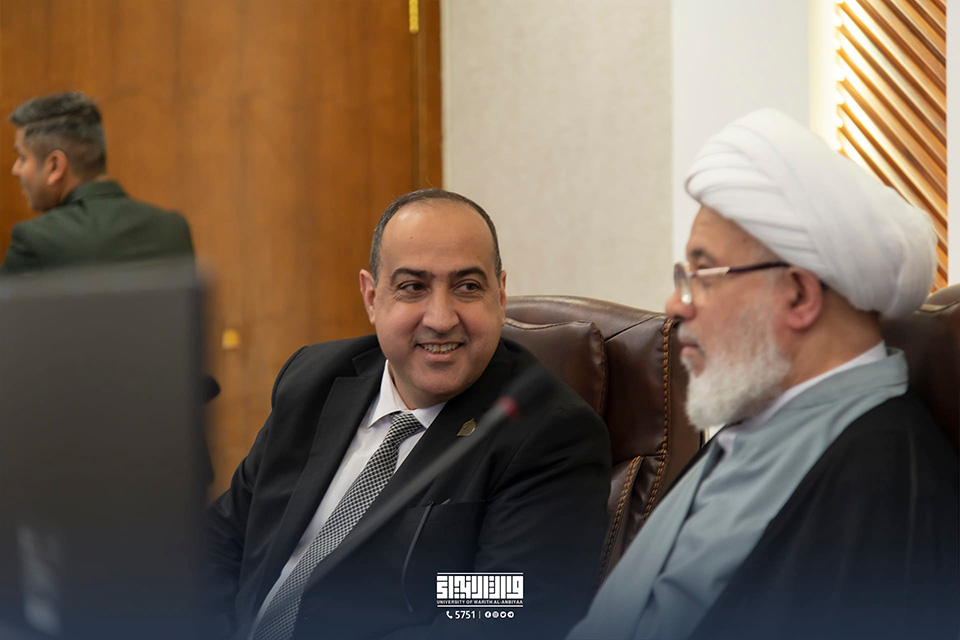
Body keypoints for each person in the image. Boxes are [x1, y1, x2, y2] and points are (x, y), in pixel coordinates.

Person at [569, 109, 959, 640]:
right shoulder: (752, 428)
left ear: (798, 296)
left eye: (703, 273)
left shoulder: (885, 483)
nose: (675, 305)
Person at [203, 188, 611, 640]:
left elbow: (501, 615)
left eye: (467, 287)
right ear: (371, 297)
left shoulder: (549, 435)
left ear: (500, 296)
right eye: (413, 287)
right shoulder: (313, 380)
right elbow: (220, 544)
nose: (440, 318)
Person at [4, 91, 193, 273]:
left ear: (55, 166)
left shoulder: (36, 240)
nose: (15, 169)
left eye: (22, 157)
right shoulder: (172, 228)